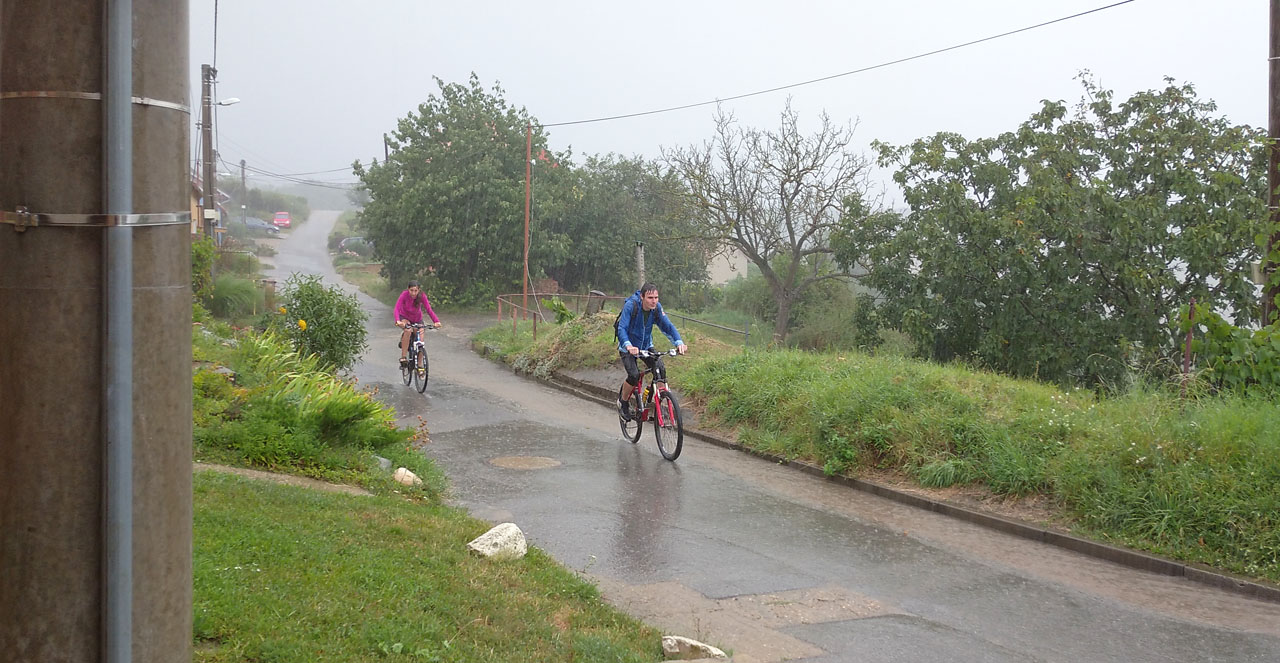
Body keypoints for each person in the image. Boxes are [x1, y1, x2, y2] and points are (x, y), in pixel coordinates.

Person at [616, 282, 687, 420]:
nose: (654, 301)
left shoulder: (656, 309)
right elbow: (622, 328)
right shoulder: (631, 305)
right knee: (634, 375)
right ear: (642, 297)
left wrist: (679, 342)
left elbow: (668, 326)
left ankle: (660, 403)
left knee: (660, 369)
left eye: (656, 297)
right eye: (650, 298)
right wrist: (628, 345)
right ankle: (623, 402)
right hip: (628, 346)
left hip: (646, 346)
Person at [394, 280, 442, 366]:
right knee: (408, 330)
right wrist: (398, 320)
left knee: (421, 340)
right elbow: (397, 308)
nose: (413, 293)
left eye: (415, 291)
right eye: (411, 290)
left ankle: (420, 365)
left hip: (417, 319)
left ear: (419, 290)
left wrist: (436, 321)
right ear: (408, 289)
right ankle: (403, 357)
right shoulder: (404, 295)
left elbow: (429, 309)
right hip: (405, 317)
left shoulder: (422, 296)